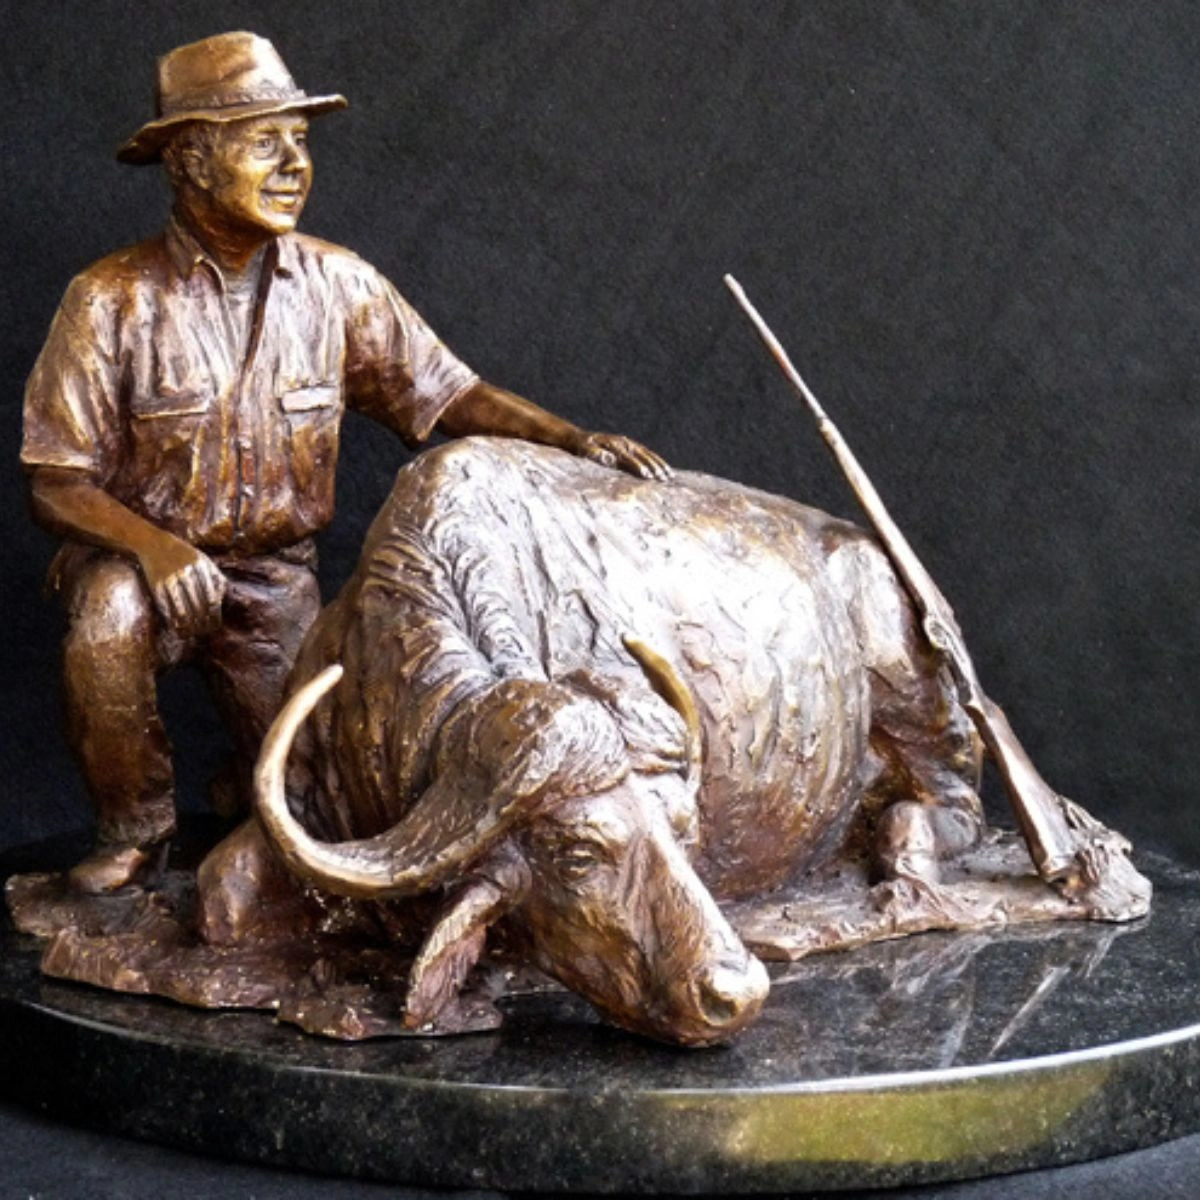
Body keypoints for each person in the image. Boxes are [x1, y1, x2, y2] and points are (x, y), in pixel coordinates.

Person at [21, 31, 670, 893]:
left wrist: (574, 439)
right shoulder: (111, 300)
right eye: (264, 142)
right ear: (190, 162)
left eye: (300, 142)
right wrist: (155, 548)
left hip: (274, 581)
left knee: (314, 807)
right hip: (145, 567)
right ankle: (134, 829)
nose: (295, 166)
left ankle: (245, 787)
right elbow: (55, 480)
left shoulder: (339, 287)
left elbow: (449, 394)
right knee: (107, 615)